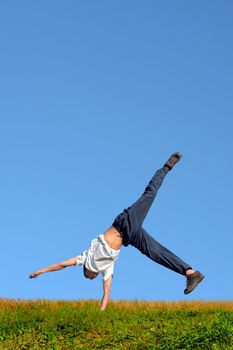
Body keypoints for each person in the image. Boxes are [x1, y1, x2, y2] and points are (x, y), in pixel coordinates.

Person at [29, 152, 204, 310]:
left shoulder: (85, 258)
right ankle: (191, 273)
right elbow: (106, 293)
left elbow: (61, 264)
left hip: (124, 223)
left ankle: (167, 167)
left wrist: (41, 271)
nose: (91, 278)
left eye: (89, 277)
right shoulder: (106, 269)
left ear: (87, 271)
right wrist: (100, 314)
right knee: (156, 252)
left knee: (149, 195)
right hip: (131, 237)